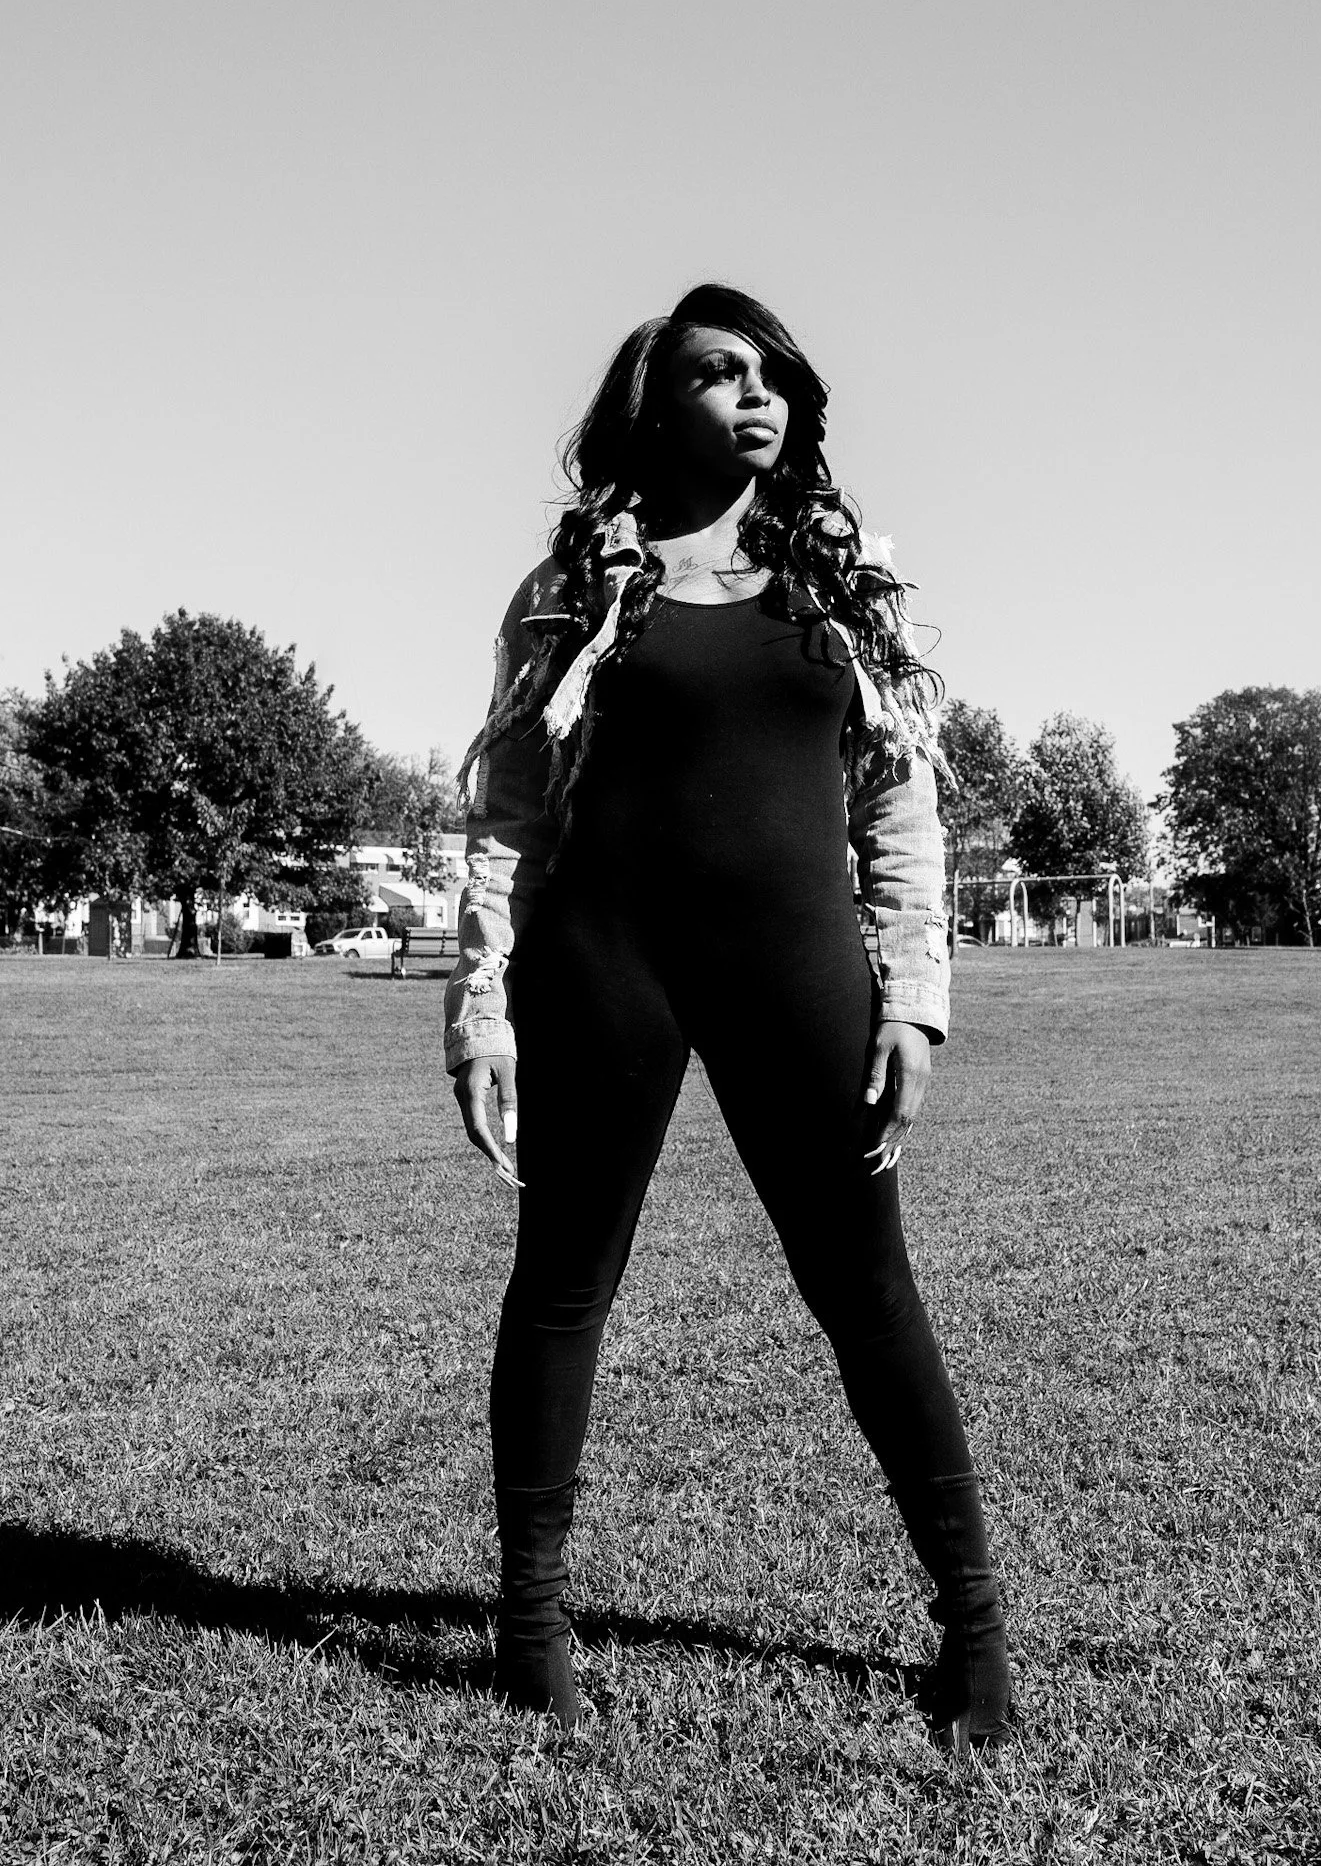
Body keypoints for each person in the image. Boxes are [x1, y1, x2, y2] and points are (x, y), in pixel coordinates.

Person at [445, 284, 1011, 1758]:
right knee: (560, 1288)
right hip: (600, 967)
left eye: (772, 376)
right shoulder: (574, 587)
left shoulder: (847, 588)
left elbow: (902, 812)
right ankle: (528, 1629)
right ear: (655, 406)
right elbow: (509, 811)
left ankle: (973, 1630)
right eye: (717, 372)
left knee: (868, 1292)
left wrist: (916, 1000)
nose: (756, 396)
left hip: (799, 972)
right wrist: (482, 1008)